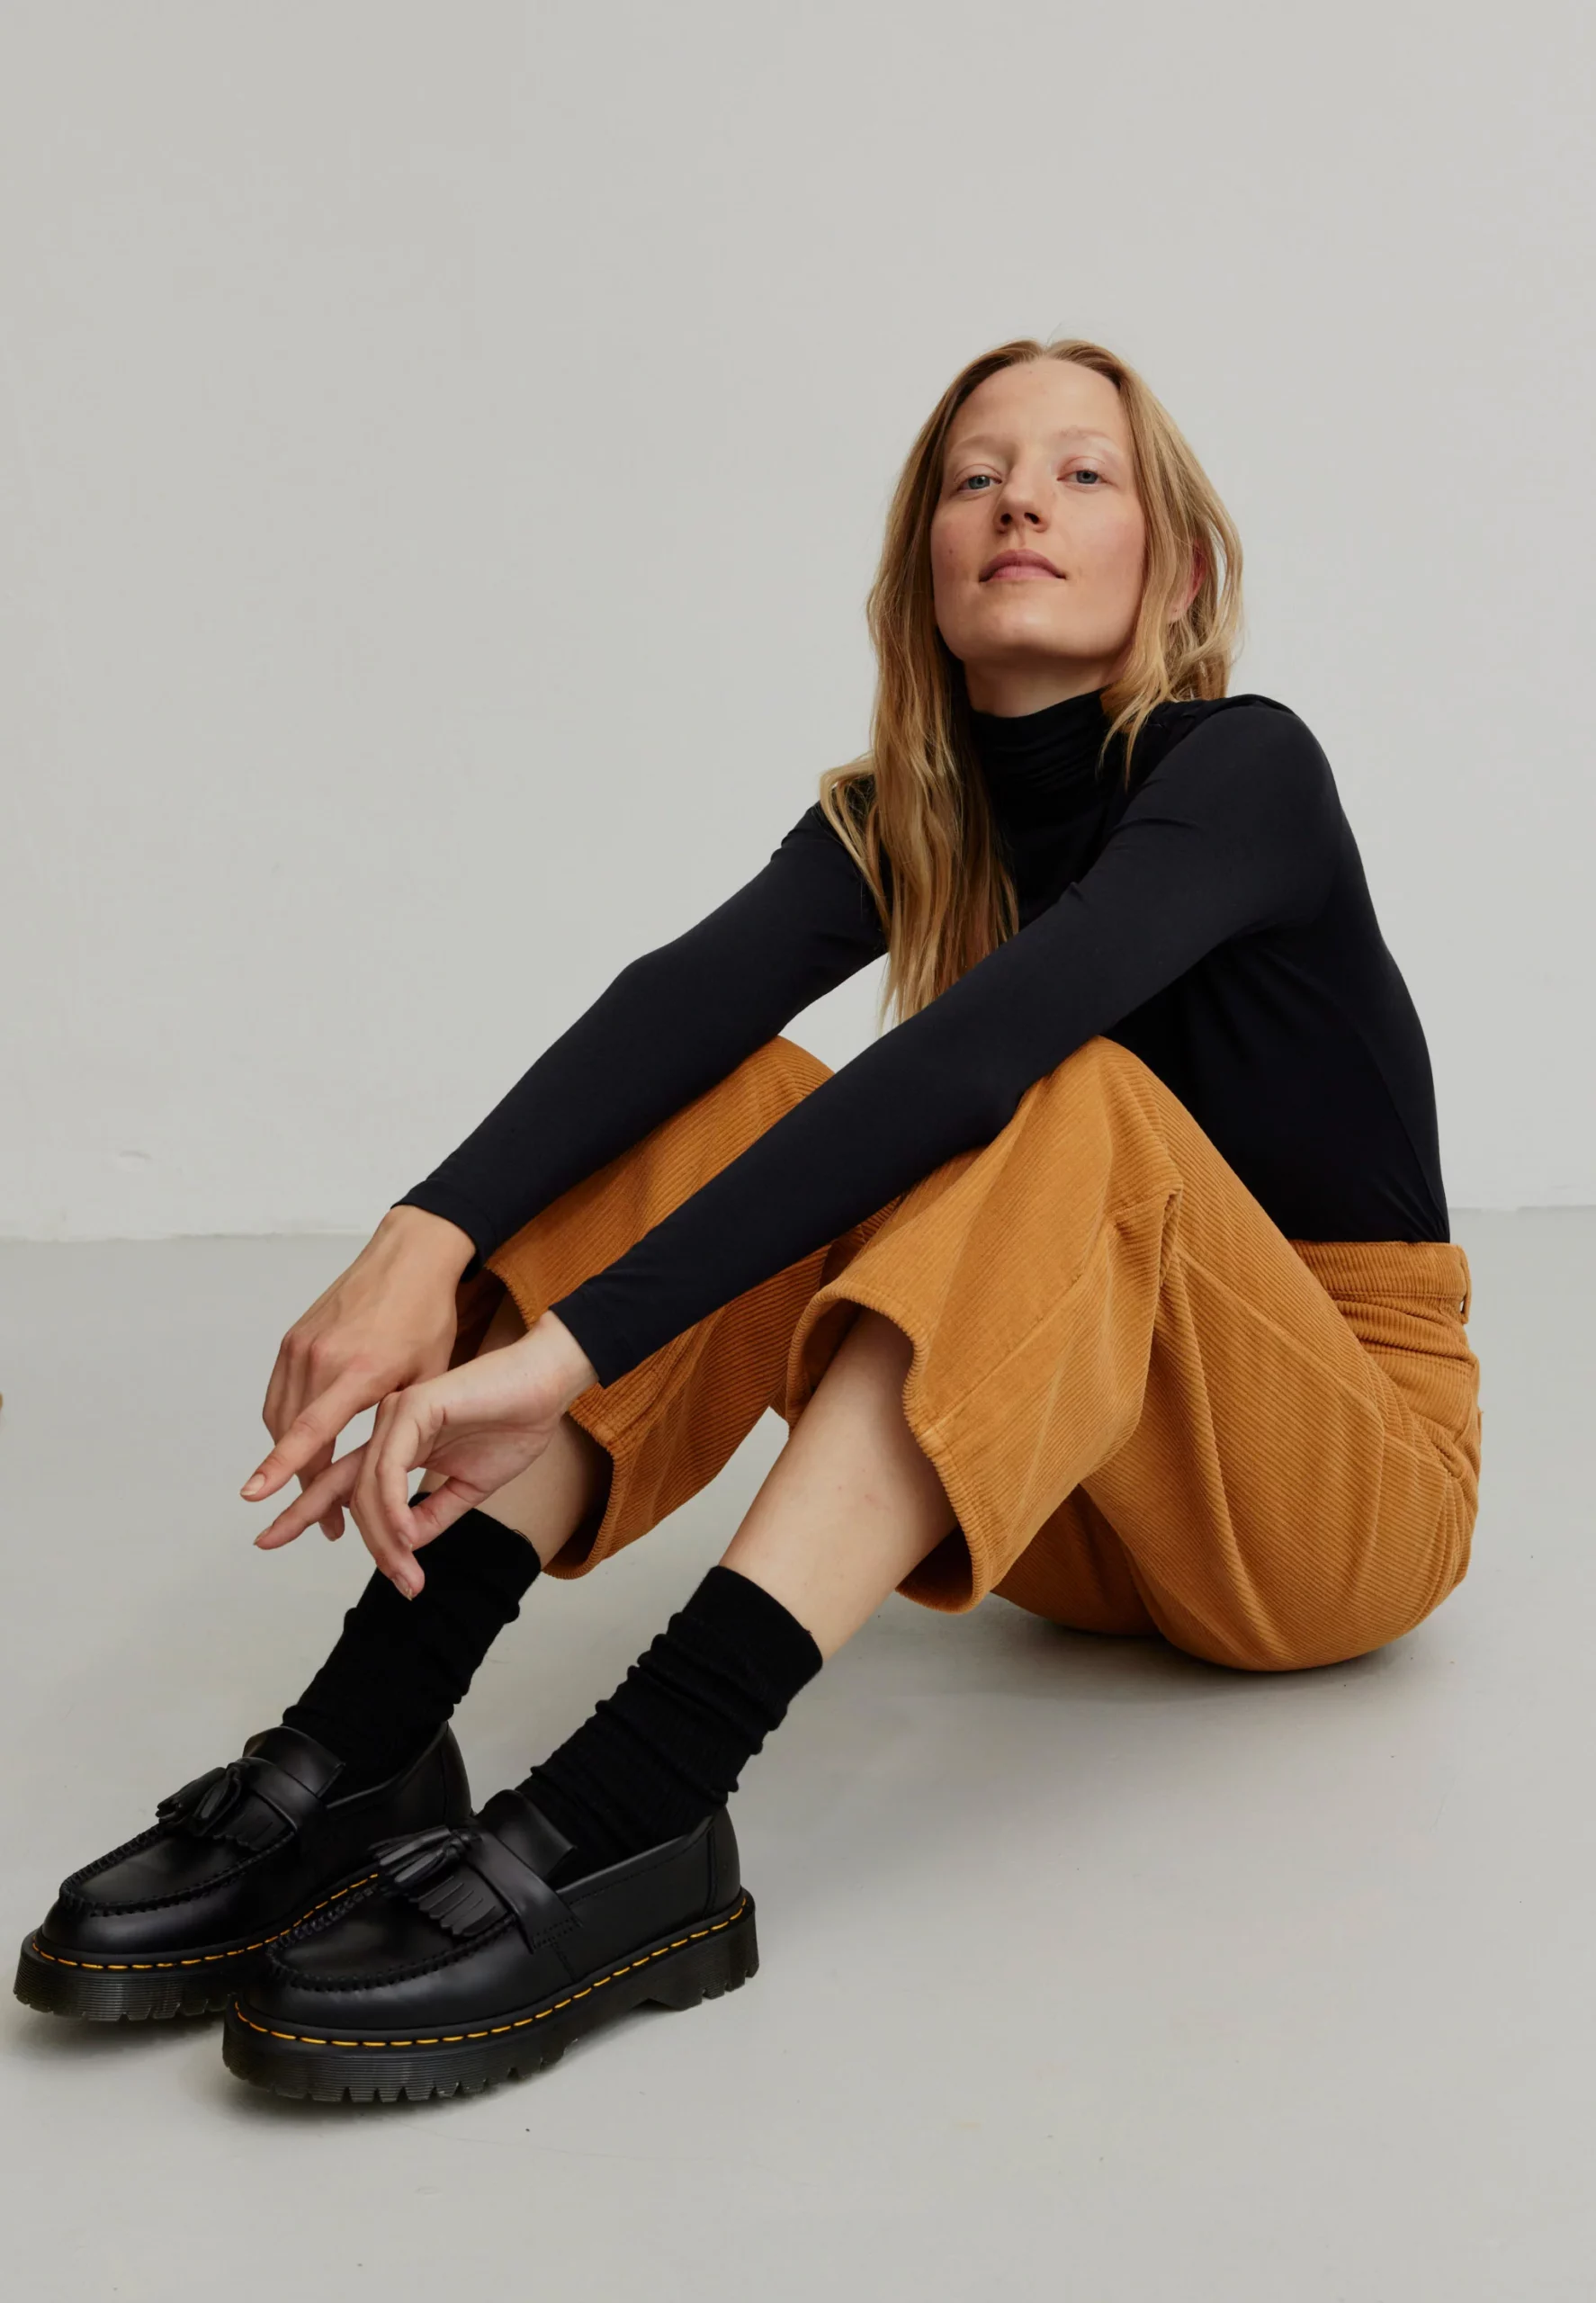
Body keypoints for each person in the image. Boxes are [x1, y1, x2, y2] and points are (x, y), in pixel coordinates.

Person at [14, 337, 1482, 2105]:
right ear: (923, 567)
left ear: (1171, 571)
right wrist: (422, 1239)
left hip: (1339, 1492)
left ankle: (641, 1807)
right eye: (973, 476)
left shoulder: (1242, 769)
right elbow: (676, 1008)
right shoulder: (904, 817)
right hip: (1059, 1497)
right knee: (732, 1087)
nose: (1018, 499)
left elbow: (974, 1055)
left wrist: (562, 1355)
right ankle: (368, 1733)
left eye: (1081, 472)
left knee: (1073, 1098)